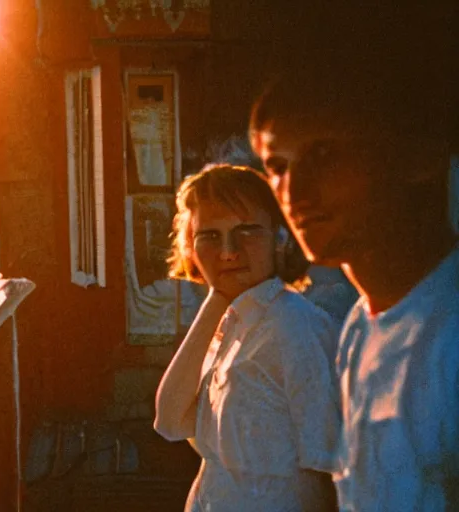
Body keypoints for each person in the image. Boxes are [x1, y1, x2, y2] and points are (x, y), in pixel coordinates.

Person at [248, 17, 458, 509]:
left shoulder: (448, 335)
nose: (294, 193)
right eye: (278, 167)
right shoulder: (359, 331)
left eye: (325, 154)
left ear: (419, 154)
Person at [154, 164, 341, 511]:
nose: (229, 251)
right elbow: (169, 420)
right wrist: (216, 296)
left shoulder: (294, 326)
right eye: (210, 236)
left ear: (279, 238)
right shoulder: (231, 323)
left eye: (248, 231)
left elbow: (326, 467)